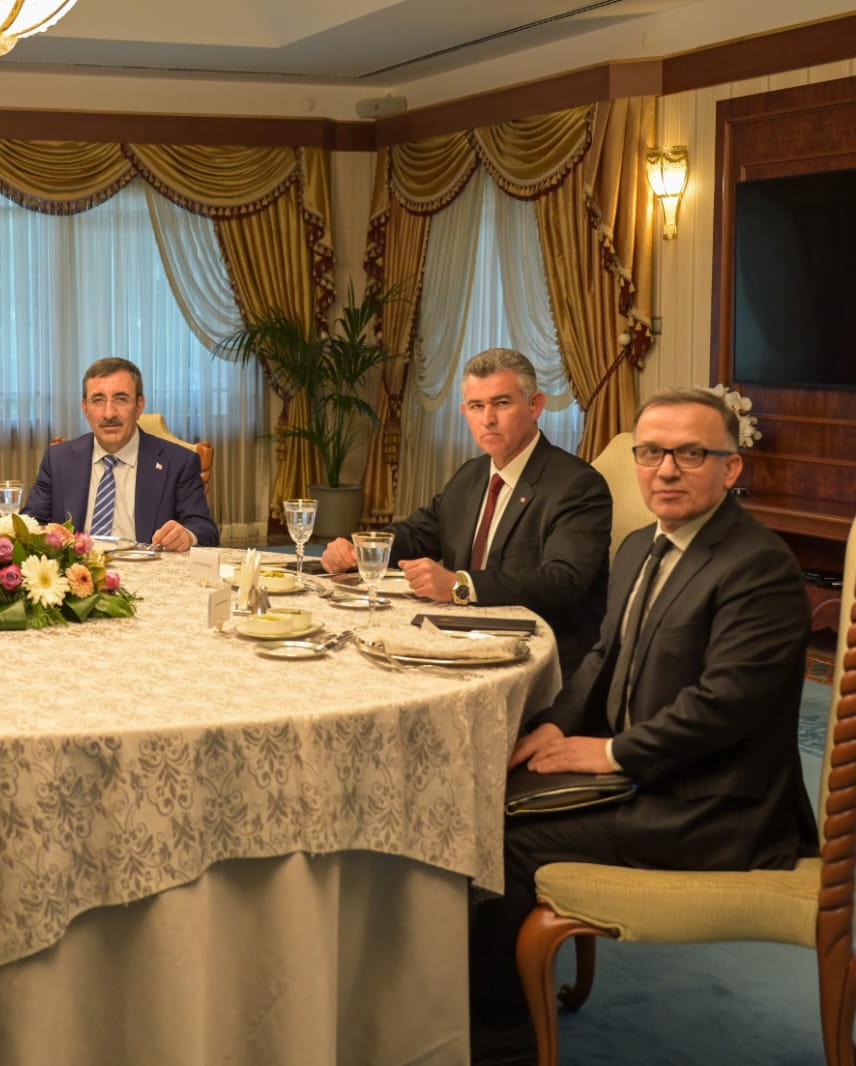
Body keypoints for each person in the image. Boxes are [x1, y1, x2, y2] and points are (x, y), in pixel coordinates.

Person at [467, 388, 817, 1063]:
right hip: (652, 778)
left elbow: (725, 704)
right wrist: (555, 728)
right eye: (651, 452)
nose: (666, 470)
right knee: (482, 795)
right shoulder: (637, 546)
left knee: (504, 838)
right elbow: (604, 658)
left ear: (730, 468)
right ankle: (467, 996)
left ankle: (500, 1039)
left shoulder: (759, 565)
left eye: (691, 454)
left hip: (714, 806)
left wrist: (610, 753)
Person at [320, 348, 610, 675]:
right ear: (464, 412)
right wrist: (359, 549)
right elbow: (417, 533)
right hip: (461, 637)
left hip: (540, 657)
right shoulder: (471, 475)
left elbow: (563, 581)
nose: (488, 418)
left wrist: (460, 585)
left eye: (502, 403)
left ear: (535, 405)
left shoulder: (577, 484)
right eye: (476, 406)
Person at [25, 357, 218, 551]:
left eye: (121, 399)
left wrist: (186, 536)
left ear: (139, 406)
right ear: (85, 408)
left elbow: (204, 529)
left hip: (147, 567)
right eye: (98, 400)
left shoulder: (179, 462)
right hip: (80, 568)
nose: (109, 414)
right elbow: (30, 524)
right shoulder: (58, 459)